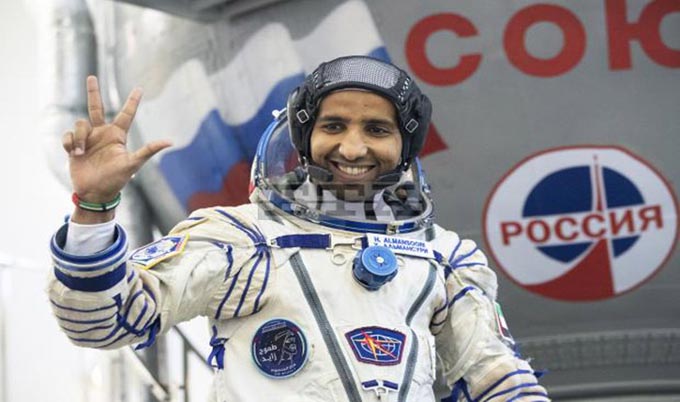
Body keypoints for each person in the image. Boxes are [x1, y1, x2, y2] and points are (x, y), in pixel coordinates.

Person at [49, 56, 550, 401]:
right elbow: (103, 321)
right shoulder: (241, 239)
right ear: (304, 136)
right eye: (333, 126)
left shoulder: (444, 257)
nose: (352, 149)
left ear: (406, 146)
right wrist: (94, 207)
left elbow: (496, 376)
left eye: (377, 130)